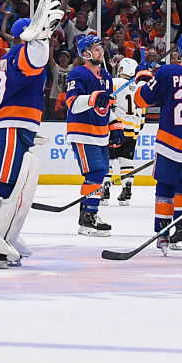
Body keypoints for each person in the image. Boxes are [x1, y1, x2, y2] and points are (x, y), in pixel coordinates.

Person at [0, 0, 64, 268]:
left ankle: (0, 235)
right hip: (7, 126)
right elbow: (36, 56)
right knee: (12, 187)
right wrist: (41, 37)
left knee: (13, 186)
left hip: (5, 125)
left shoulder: (5, 59)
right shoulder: (23, 54)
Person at [133, 32, 182, 253]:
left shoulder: (166, 72)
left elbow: (141, 100)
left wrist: (143, 78)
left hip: (168, 145)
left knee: (165, 189)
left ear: (178, 52)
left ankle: (163, 235)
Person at [66, 33, 120, 237]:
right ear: (86, 53)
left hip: (101, 133)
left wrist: (114, 123)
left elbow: (105, 107)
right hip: (82, 132)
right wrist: (93, 98)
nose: (101, 51)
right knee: (95, 173)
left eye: (100, 48)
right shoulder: (78, 74)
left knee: (99, 173)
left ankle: (86, 216)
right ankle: (89, 217)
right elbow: (72, 103)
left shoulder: (105, 76)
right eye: (96, 49)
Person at [110, 56, 146, 203]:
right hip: (132, 131)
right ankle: (127, 188)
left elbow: (108, 102)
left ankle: (104, 191)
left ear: (121, 69)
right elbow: (142, 114)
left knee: (109, 159)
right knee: (126, 161)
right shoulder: (139, 87)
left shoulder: (114, 82)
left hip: (115, 129)